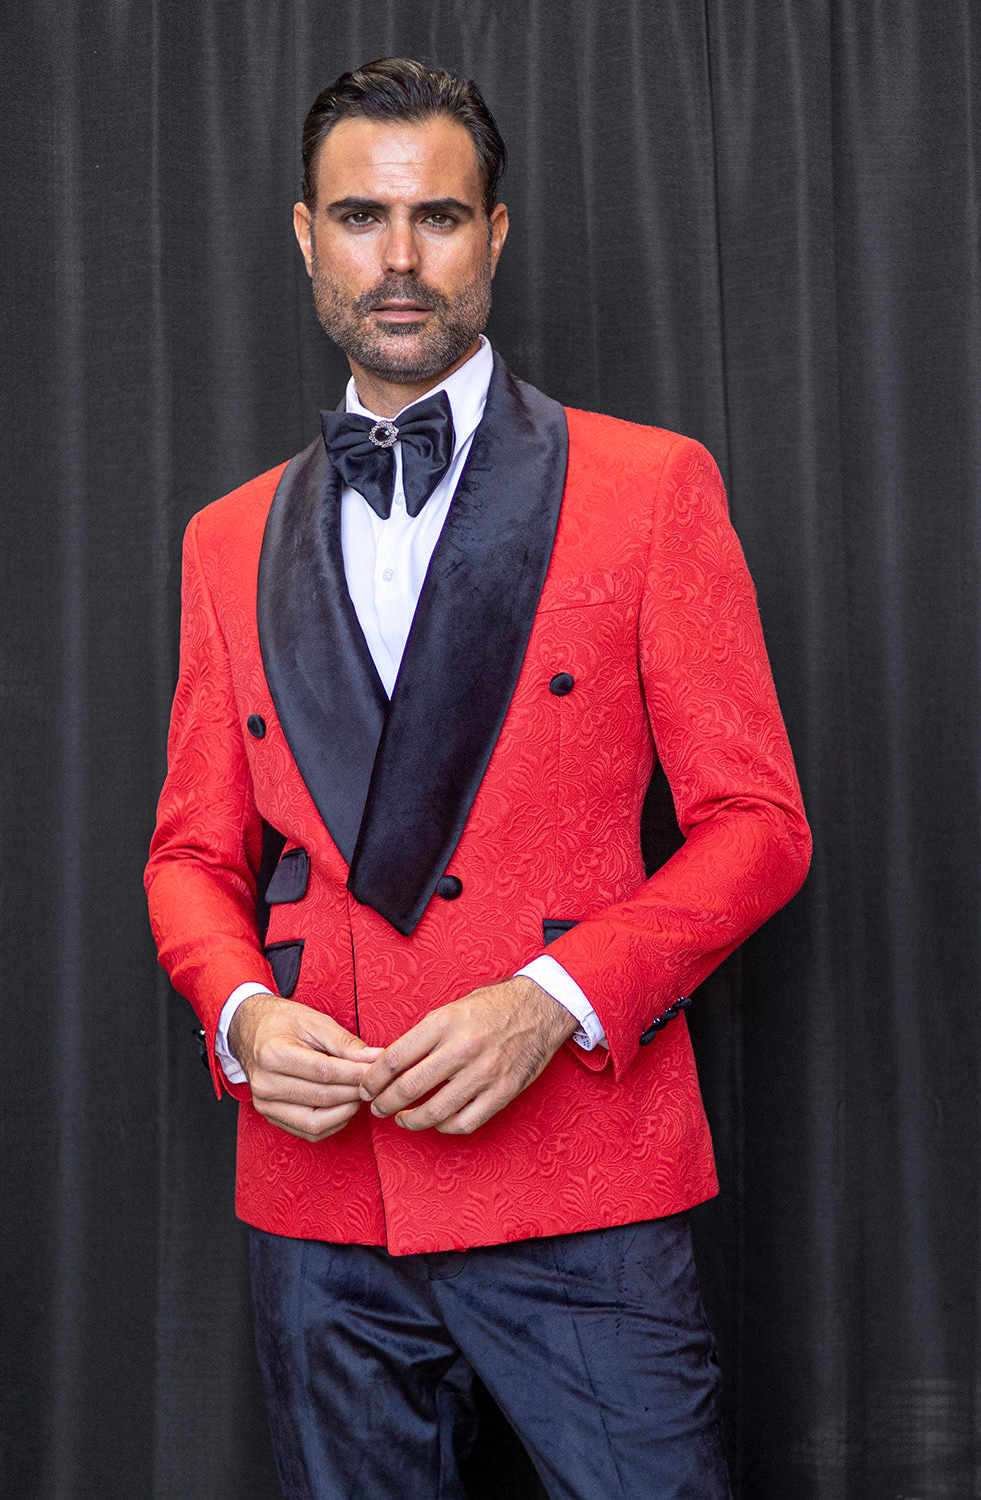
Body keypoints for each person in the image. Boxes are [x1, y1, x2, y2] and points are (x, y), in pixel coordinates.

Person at [145, 56, 810, 1500]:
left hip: (579, 1179)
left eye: (437, 217)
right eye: (360, 217)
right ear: (303, 234)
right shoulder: (225, 537)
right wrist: (244, 1015)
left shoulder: (650, 488)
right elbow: (191, 856)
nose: (398, 259)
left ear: (495, 234)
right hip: (322, 1189)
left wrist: (554, 1001)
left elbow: (756, 827)